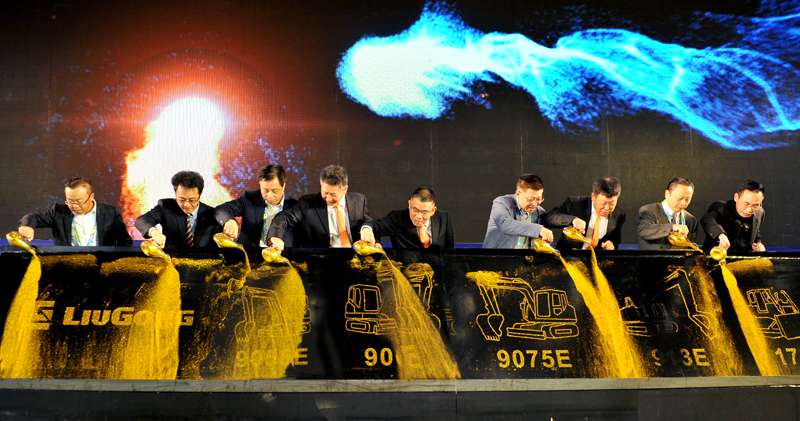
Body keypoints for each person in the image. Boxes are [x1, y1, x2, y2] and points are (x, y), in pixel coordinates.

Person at [268, 165, 371, 252]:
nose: (328, 198)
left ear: (345, 189)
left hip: (354, 255)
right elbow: (284, 218)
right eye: (325, 193)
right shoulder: (308, 203)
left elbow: (368, 224)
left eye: (333, 194)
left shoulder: (359, 200)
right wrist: (275, 236)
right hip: (321, 258)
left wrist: (374, 239)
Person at [18, 177, 132, 246]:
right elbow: (34, 217)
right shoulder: (59, 211)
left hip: (102, 265)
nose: (74, 206)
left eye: (79, 201)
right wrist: (27, 226)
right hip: (68, 265)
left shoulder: (110, 212)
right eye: (70, 201)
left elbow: (125, 241)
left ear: (91, 197)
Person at [214, 164, 297, 247]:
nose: (269, 195)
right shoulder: (249, 198)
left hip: (280, 254)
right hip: (250, 253)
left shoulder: (294, 206)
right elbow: (221, 209)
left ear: (283, 186)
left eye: (274, 191)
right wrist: (229, 220)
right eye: (265, 190)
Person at [134, 171, 222, 247]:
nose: (186, 204)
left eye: (192, 200)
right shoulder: (166, 207)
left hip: (203, 259)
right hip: (172, 258)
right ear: (176, 193)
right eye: (181, 200)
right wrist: (154, 232)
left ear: (200, 195)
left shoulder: (211, 214)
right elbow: (142, 220)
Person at [543, 177, 626, 251]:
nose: (607, 208)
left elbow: (615, 240)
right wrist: (572, 220)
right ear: (593, 196)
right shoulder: (574, 204)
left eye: (612, 203)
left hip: (595, 259)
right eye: (603, 203)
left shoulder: (619, 215)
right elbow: (549, 218)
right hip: (568, 256)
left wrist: (612, 245)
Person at [361, 187, 454, 249]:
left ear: (433, 211)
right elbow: (374, 226)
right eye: (415, 210)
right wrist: (366, 229)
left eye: (424, 212)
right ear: (409, 204)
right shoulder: (397, 218)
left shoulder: (443, 218)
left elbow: (449, 249)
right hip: (406, 270)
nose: (418, 216)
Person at [482, 174, 554, 248]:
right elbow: (504, 224)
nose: (535, 204)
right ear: (518, 194)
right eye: (530, 199)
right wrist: (538, 230)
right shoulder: (501, 203)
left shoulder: (540, 212)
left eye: (539, 199)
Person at [701, 180, 766, 252]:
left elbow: (755, 233)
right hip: (716, 256)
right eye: (746, 204)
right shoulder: (722, 208)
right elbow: (707, 219)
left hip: (744, 257)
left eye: (755, 205)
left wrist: (758, 246)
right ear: (736, 197)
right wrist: (720, 235)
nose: (749, 210)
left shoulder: (760, 212)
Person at [637, 177, 698, 250]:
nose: (683, 203)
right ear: (667, 194)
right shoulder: (649, 210)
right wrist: (671, 227)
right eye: (679, 198)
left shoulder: (691, 220)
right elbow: (643, 230)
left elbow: (690, 248)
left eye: (687, 199)